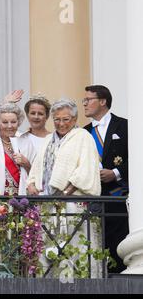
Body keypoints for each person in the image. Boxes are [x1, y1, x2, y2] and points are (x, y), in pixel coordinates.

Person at [27, 99, 102, 277]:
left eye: (66, 119)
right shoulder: (47, 140)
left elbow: (87, 168)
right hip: (48, 205)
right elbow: (37, 166)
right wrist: (31, 183)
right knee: (48, 250)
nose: (61, 123)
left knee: (76, 247)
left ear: (75, 119)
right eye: (57, 119)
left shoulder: (83, 136)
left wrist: (66, 192)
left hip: (72, 204)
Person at [83, 85, 129, 273]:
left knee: (118, 241)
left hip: (118, 194)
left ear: (102, 101)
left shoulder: (124, 126)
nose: (84, 104)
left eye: (88, 99)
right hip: (93, 195)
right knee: (94, 240)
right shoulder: (83, 132)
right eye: (84, 100)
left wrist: (116, 172)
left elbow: (137, 156)